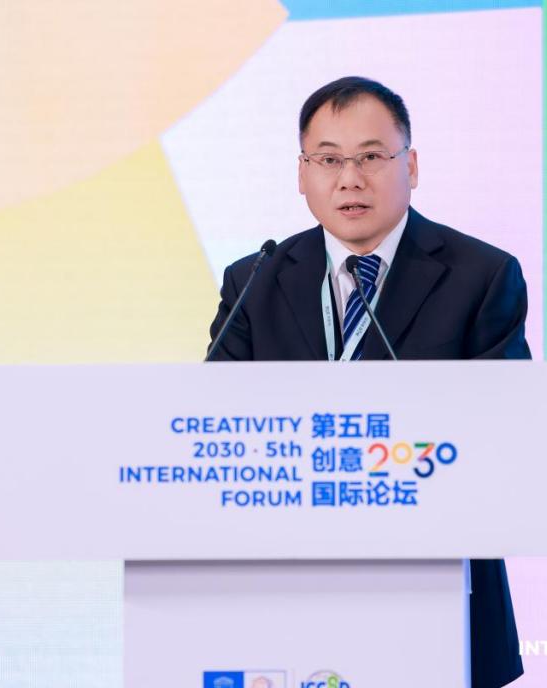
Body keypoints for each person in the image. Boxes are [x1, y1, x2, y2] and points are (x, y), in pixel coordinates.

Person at [207, 76, 528, 687]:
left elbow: (506, 428)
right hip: (286, 591)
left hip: (439, 592)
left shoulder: (481, 276)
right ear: (302, 174)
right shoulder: (256, 279)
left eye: (371, 157)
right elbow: (215, 430)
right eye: (328, 160)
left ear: (411, 166)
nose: (349, 179)